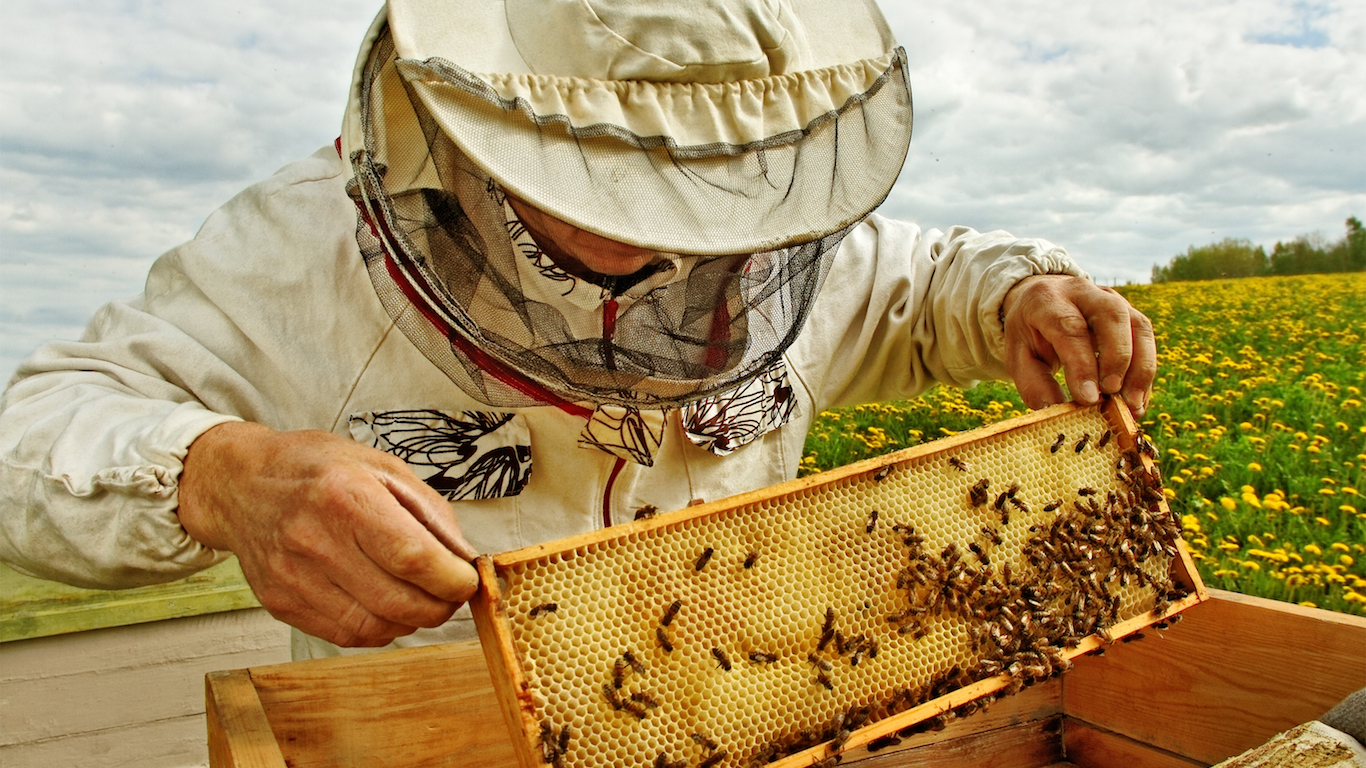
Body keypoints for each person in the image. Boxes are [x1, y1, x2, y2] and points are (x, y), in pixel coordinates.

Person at [0, 0, 1154, 658]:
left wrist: (1022, 292)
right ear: (472, 116)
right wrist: (221, 474)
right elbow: (35, 431)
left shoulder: (782, 247)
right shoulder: (292, 246)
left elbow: (923, 282)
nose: (670, 234)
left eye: (705, 181)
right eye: (604, 177)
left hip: (744, 702)